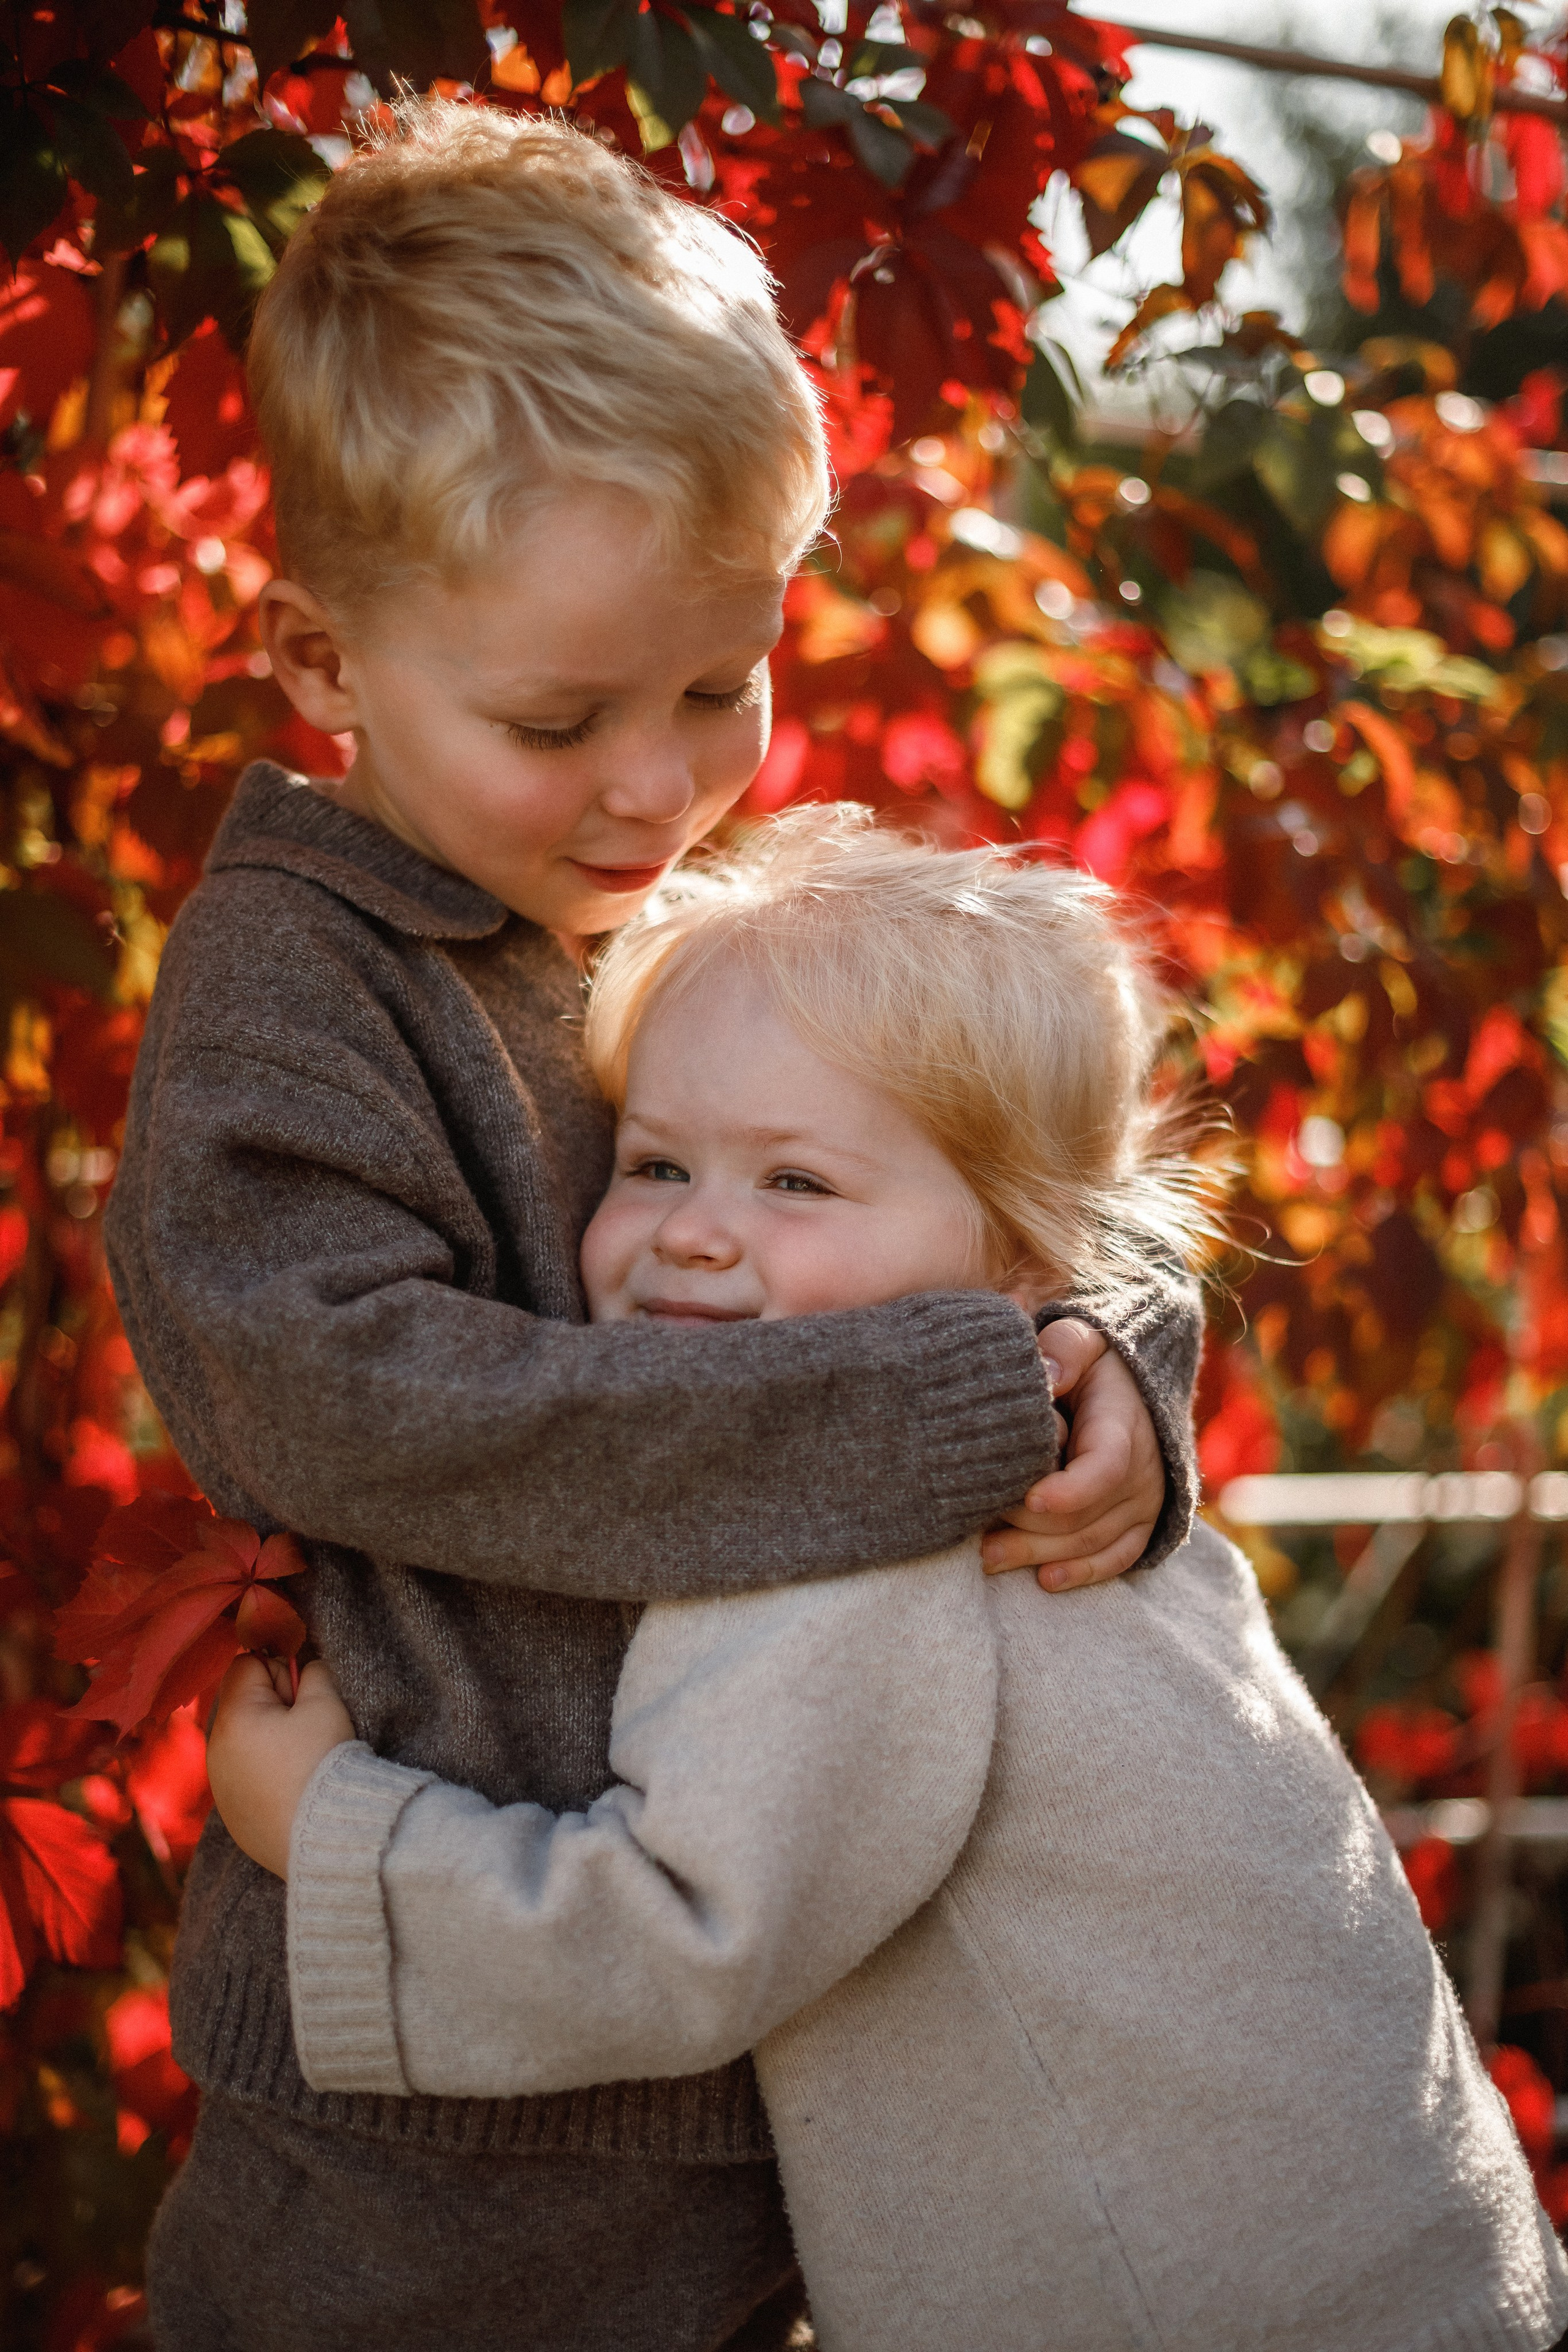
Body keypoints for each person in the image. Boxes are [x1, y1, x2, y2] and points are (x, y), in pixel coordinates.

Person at [104, 100, 1200, 2352]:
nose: (658, 782)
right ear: (322, 661)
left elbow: (975, 1189)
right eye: (556, 715)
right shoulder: (297, 983)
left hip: (764, 2001)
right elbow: (346, 1402)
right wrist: (950, 1407)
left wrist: (1103, 1362)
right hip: (426, 2077)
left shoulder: (653, 920)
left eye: (722, 683)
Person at [211, 813, 1568, 2352]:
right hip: (1409, 2254)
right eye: (653, 1163)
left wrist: (330, 1835)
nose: (698, 1235)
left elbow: (680, 1941)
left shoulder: (847, 1533)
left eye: (796, 1183)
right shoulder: (1068, 1449)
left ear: (1014, 1266)